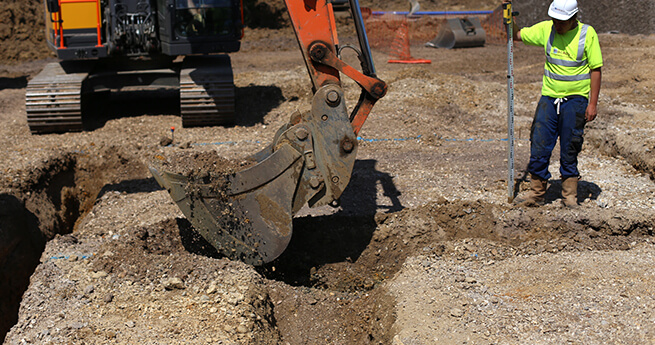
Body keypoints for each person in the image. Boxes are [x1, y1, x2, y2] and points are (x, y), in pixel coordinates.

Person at [511, 0, 603, 208]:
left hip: (576, 99)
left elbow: (595, 69)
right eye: (555, 20)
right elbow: (517, 36)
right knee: (539, 143)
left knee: (570, 146)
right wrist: (510, 20)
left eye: (562, 21)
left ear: (573, 18)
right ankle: (537, 193)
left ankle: (569, 196)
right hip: (549, 98)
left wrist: (593, 104)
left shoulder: (587, 34)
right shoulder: (547, 29)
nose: (557, 25)